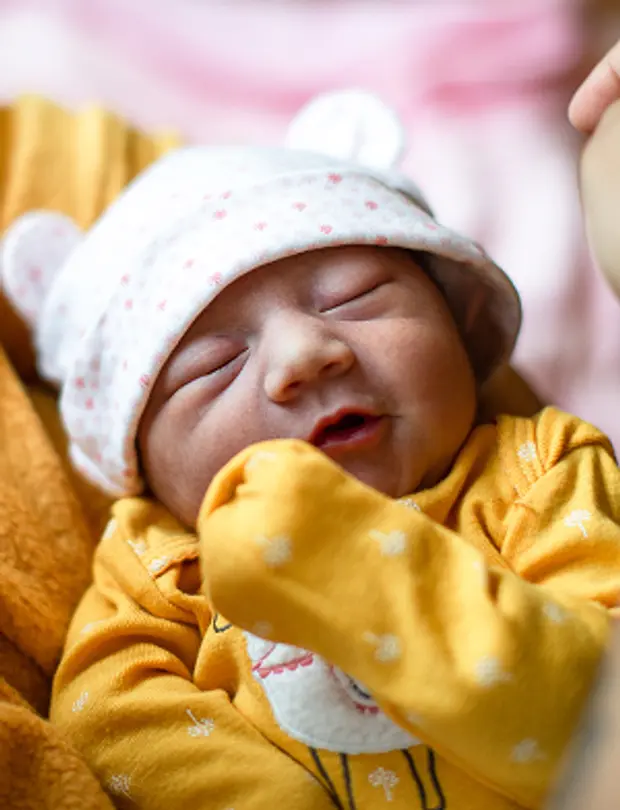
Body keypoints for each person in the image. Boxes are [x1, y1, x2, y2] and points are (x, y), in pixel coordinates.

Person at [3, 90, 620, 810]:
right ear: (138, 462)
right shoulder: (156, 567)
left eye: (353, 297)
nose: (306, 352)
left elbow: (594, 706)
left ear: (458, 324)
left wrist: (347, 557)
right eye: (214, 364)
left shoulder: (540, 468)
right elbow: (112, 723)